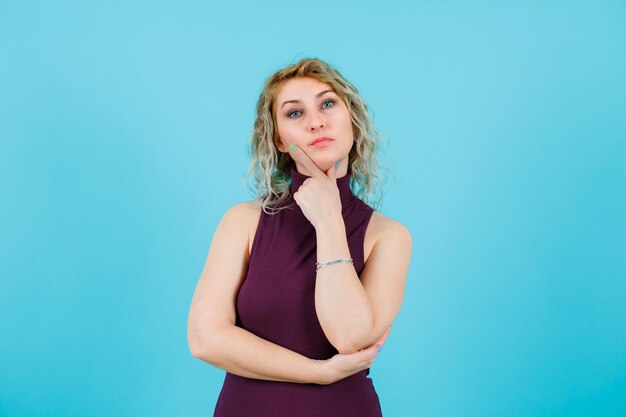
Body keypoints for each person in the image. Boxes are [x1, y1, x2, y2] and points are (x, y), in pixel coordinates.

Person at [187, 57, 412, 417]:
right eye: (294, 113)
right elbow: (205, 339)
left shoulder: (388, 236)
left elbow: (350, 337)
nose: (316, 121)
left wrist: (329, 221)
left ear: (350, 117)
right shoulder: (243, 222)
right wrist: (319, 373)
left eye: (327, 103)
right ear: (278, 138)